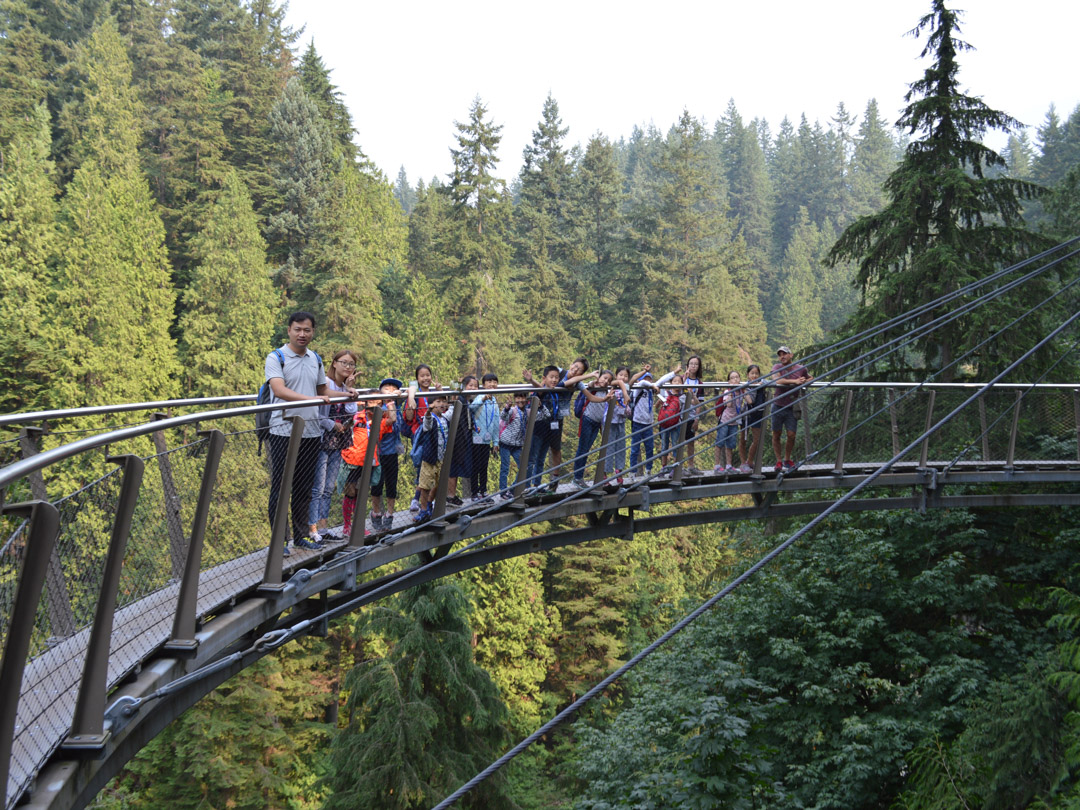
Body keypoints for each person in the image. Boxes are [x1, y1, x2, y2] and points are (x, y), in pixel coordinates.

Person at [265, 311, 346, 555]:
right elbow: (279, 390)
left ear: (313, 332)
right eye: (298, 329)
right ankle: (279, 541)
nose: (302, 334)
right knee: (280, 487)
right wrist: (312, 398)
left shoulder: (316, 359)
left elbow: (324, 391)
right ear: (289, 330)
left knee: (302, 486)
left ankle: (300, 536)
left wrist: (347, 394)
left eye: (307, 330)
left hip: (311, 433)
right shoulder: (276, 357)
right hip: (283, 430)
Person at [307, 350, 358, 544]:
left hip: (338, 442)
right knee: (318, 487)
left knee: (329, 487)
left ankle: (324, 527)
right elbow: (314, 412)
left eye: (351, 364)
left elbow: (352, 411)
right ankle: (312, 529)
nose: (347, 367)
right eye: (344, 362)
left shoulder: (346, 388)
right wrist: (331, 424)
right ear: (334, 363)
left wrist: (350, 391)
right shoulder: (325, 385)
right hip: (322, 440)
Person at [523, 358, 597, 488]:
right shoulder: (558, 373)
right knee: (533, 456)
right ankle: (526, 486)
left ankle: (545, 483)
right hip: (540, 421)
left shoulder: (575, 382)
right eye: (575, 366)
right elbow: (543, 386)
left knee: (551, 451)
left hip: (556, 419)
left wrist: (603, 396)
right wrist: (532, 382)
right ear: (570, 364)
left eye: (579, 370)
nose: (575, 370)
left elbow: (582, 389)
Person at [340, 395, 393, 539]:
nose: (374, 406)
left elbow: (392, 419)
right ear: (365, 403)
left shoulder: (380, 422)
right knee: (350, 492)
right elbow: (344, 428)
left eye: (378, 403)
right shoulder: (358, 417)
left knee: (361, 493)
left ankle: (358, 525)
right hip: (352, 459)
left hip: (369, 462)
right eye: (371, 402)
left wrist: (390, 403)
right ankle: (347, 526)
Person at [628, 364, 679, 476]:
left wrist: (674, 373)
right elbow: (643, 383)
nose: (648, 381)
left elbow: (663, 379)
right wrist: (652, 386)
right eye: (646, 379)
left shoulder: (652, 388)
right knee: (635, 449)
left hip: (648, 424)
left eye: (650, 379)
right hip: (637, 422)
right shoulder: (638, 389)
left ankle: (648, 470)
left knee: (649, 449)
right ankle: (632, 472)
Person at [370, 377, 406, 531]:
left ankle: (389, 514)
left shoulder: (397, 403)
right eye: (387, 388)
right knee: (377, 485)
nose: (391, 390)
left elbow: (410, 391)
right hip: (377, 452)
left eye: (393, 388)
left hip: (392, 452)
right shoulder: (378, 406)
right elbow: (389, 419)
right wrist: (390, 401)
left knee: (391, 484)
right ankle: (376, 513)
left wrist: (397, 394)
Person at [770, 345, 813, 472]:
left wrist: (804, 382)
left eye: (784, 354)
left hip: (791, 406)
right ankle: (778, 461)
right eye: (780, 355)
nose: (782, 357)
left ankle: (787, 459)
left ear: (791, 355)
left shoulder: (800, 368)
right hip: (778, 405)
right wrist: (794, 382)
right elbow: (777, 380)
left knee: (791, 434)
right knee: (776, 433)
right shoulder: (777, 367)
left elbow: (810, 377)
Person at [571, 370, 615, 488]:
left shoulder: (606, 389)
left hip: (596, 423)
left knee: (586, 449)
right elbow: (590, 384)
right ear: (599, 377)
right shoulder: (594, 385)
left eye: (608, 380)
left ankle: (579, 477)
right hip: (587, 420)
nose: (605, 381)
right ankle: (577, 478)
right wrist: (594, 379)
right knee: (583, 449)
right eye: (604, 378)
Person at [403, 364, 436, 512]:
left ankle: (426, 500)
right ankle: (418, 500)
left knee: (433, 469)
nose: (425, 378)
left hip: (435, 434)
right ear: (417, 379)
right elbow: (409, 417)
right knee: (422, 469)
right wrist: (411, 398)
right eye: (422, 376)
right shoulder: (415, 394)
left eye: (427, 375)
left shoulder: (435, 393)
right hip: (421, 436)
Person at [525, 366, 563, 489]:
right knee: (532, 459)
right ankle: (526, 486)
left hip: (549, 431)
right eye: (551, 377)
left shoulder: (556, 390)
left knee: (541, 459)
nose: (554, 380)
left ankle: (537, 484)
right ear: (544, 378)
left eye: (556, 377)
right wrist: (531, 380)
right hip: (538, 430)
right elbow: (541, 389)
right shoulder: (541, 392)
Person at [414, 395, 450, 523]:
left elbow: (453, 409)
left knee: (439, 484)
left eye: (443, 401)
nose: (441, 404)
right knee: (425, 486)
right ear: (431, 404)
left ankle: (429, 504)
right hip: (430, 458)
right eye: (438, 401)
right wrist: (428, 411)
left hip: (442, 457)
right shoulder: (429, 418)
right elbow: (427, 425)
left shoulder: (445, 418)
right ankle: (423, 510)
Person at [446, 375, 477, 506]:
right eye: (471, 385)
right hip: (458, 439)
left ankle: (451, 495)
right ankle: (450, 496)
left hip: (464, 438)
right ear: (464, 387)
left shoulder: (466, 401)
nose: (473, 388)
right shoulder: (460, 399)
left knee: (458, 467)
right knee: (454, 467)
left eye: (476, 386)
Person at [469, 372, 501, 502]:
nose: (492, 384)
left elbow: (496, 423)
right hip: (476, 437)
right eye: (489, 382)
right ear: (483, 385)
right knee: (475, 466)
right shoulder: (480, 396)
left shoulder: (494, 401)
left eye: (494, 382)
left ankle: (483, 491)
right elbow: (471, 408)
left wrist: (496, 442)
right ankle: (474, 493)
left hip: (486, 440)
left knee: (484, 466)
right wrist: (482, 399)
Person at [714, 370, 748, 473]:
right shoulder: (727, 391)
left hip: (734, 422)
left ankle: (729, 465)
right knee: (720, 442)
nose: (735, 379)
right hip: (725, 421)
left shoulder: (741, 392)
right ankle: (717, 466)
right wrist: (731, 392)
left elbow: (750, 401)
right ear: (729, 381)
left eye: (737, 377)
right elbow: (728, 404)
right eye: (732, 378)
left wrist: (745, 389)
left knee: (731, 444)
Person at [499, 390, 530, 497]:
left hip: (517, 445)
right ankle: (503, 492)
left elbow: (543, 416)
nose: (520, 400)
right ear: (515, 399)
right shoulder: (513, 410)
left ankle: (512, 489)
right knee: (505, 468)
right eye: (517, 398)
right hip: (506, 444)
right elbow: (503, 416)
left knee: (524, 466)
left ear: (527, 399)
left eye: (522, 397)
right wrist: (507, 407)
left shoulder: (528, 412)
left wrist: (540, 407)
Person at [604, 368, 632, 484]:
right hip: (610, 421)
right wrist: (622, 388)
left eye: (626, 376)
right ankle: (605, 473)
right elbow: (610, 383)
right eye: (620, 375)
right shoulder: (610, 385)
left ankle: (619, 471)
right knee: (608, 448)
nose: (623, 378)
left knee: (621, 447)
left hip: (620, 421)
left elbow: (628, 382)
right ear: (616, 376)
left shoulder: (627, 387)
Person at [656, 373, 686, 474]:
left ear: (682, 383)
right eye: (675, 381)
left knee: (675, 445)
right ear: (671, 383)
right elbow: (656, 407)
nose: (677, 383)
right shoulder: (665, 393)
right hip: (665, 423)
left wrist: (692, 395)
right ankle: (663, 467)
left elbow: (694, 404)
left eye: (679, 381)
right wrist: (659, 402)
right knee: (664, 445)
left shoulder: (683, 396)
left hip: (676, 423)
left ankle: (675, 467)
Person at [740, 364, 767, 473]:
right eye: (752, 373)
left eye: (756, 373)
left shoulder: (762, 383)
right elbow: (749, 401)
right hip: (746, 414)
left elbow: (769, 382)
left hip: (758, 413)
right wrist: (751, 389)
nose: (754, 376)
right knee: (743, 439)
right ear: (748, 375)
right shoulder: (746, 385)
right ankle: (743, 463)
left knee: (757, 439)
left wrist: (760, 384)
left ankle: (749, 461)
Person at [683, 355, 705, 475]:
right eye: (691, 363)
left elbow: (699, 403)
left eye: (696, 364)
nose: (693, 366)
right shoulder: (681, 379)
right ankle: (679, 467)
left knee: (690, 441)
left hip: (692, 415)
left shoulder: (699, 383)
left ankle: (690, 466)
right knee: (679, 441)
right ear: (687, 365)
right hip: (680, 415)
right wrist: (684, 377)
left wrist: (697, 419)